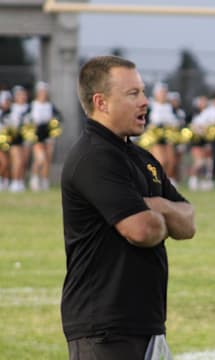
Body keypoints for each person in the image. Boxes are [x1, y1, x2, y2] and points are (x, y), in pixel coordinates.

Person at [61, 55, 195, 360]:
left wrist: (156, 205)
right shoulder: (94, 157)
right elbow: (143, 231)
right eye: (133, 94)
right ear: (101, 102)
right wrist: (162, 215)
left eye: (143, 92)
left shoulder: (141, 158)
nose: (145, 102)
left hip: (143, 324)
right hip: (104, 328)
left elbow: (188, 225)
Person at [28, 81, 62, 191]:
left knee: (47, 159)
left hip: (48, 135)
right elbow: (27, 119)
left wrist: (53, 123)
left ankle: (44, 181)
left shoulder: (50, 105)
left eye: (45, 92)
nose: (43, 94)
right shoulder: (33, 105)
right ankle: (34, 179)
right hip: (37, 136)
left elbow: (59, 116)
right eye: (41, 91)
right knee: (40, 159)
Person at [5, 85, 30, 192]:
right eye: (19, 95)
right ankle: (14, 182)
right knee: (17, 161)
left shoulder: (29, 107)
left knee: (24, 161)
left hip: (26, 138)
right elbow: (5, 121)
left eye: (23, 94)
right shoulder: (11, 108)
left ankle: (20, 181)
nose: (22, 97)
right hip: (14, 138)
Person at [0, 90, 12, 191]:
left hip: (9, 141)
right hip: (1, 142)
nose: (7, 103)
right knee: (3, 163)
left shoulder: (11, 113)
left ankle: (6, 182)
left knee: (8, 163)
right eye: (5, 101)